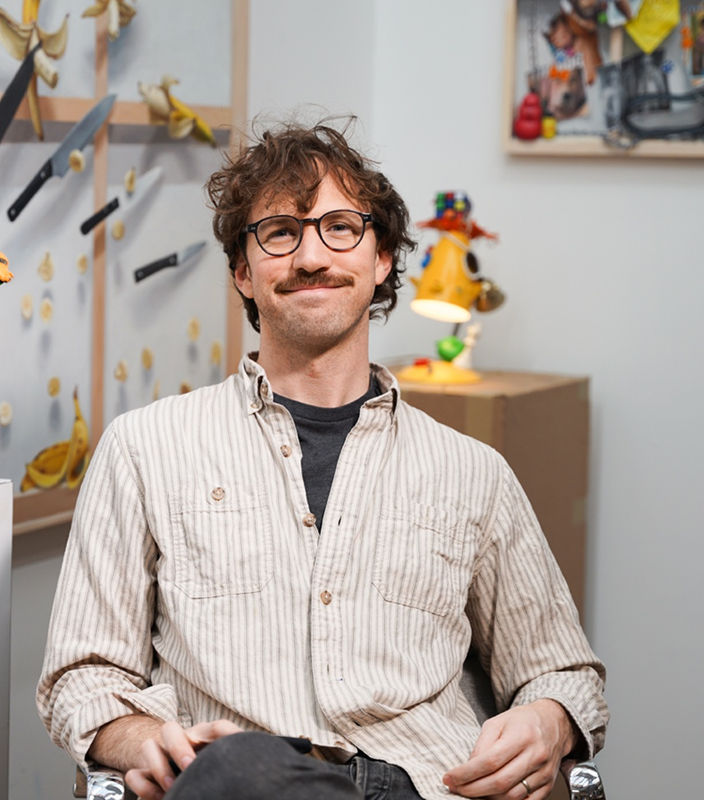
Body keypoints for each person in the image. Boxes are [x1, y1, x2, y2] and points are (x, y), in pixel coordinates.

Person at [37, 120, 608, 800]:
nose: (311, 256)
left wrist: (550, 720)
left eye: (340, 227)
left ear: (382, 258)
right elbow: (80, 675)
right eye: (280, 233)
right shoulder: (145, 448)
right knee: (240, 765)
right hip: (240, 780)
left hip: (426, 782)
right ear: (243, 273)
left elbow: (563, 671)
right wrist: (142, 740)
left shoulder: (474, 473)